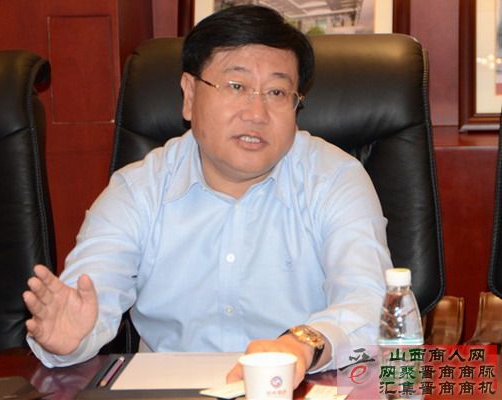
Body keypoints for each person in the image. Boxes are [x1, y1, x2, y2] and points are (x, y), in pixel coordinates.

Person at [23, 4, 391, 388]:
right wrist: (70, 339)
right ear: (189, 94)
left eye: (277, 92)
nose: (257, 113)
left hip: (298, 388)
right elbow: (87, 299)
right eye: (236, 86)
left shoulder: (334, 180)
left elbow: (373, 304)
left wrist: (301, 345)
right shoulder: (138, 191)